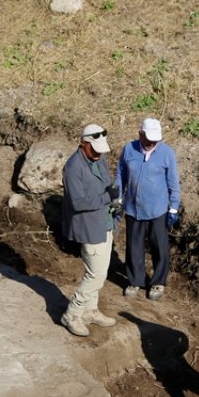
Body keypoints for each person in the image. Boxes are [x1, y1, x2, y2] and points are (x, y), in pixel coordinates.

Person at [59, 124, 121, 337]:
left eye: (101, 150)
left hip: (105, 222)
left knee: (99, 272)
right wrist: (107, 197)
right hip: (89, 226)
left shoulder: (98, 158)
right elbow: (77, 202)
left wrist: (115, 201)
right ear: (83, 143)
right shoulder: (73, 168)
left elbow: (106, 184)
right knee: (96, 274)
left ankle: (90, 310)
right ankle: (73, 313)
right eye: (94, 150)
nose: (98, 154)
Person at [115, 117, 181, 301]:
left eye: (155, 140)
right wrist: (118, 198)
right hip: (133, 209)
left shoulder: (167, 153)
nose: (152, 142)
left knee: (159, 247)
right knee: (134, 247)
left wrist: (174, 207)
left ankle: (158, 282)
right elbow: (120, 175)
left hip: (157, 210)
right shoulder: (129, 149)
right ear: (140, 134)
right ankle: (135, 280)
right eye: (148, 138)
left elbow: (173, 182)